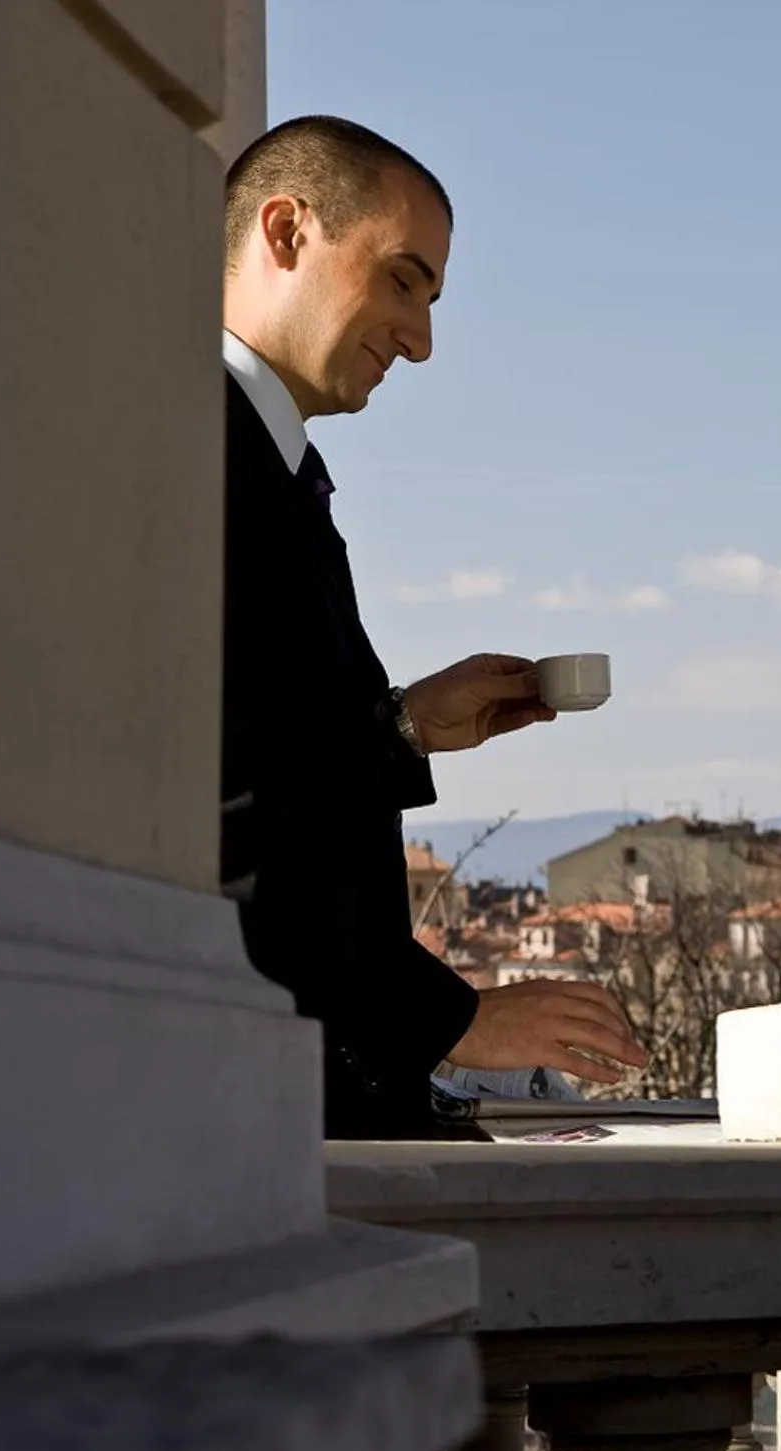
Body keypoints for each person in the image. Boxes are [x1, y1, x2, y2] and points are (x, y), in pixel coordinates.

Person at [219, 115, 645, 1137]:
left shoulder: (275, 468)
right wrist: (454, 1021)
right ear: (286, 231)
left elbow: (269, 753)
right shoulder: (202, 462)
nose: (420, 340)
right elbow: (215, 822)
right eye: (404, 280)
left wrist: (404, 725)